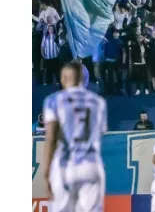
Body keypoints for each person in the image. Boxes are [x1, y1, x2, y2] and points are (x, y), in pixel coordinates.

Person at [42, 61, 107, 212]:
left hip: (66, 165)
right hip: (92, 165)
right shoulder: (99, 102)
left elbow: (51, 139)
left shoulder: (53, 100)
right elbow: (99, 132)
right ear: (85, 79)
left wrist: (45, 174)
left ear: (64, 78)